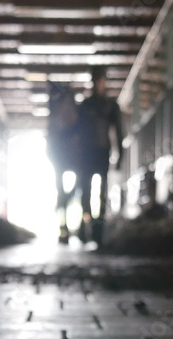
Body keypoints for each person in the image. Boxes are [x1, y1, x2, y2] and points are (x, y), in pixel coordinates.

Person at [75, 66, 124, 245]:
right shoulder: (85, 106)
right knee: (86, 191)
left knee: (102, 191)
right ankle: (86, 225)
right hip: (87, 154)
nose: (97, 84)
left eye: (100, 80)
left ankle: (99, 228)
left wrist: (120, 156)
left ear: (104, 81)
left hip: (102, 152)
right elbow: (77, 131)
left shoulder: (110, 106)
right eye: (95, 80)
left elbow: (118, 132)